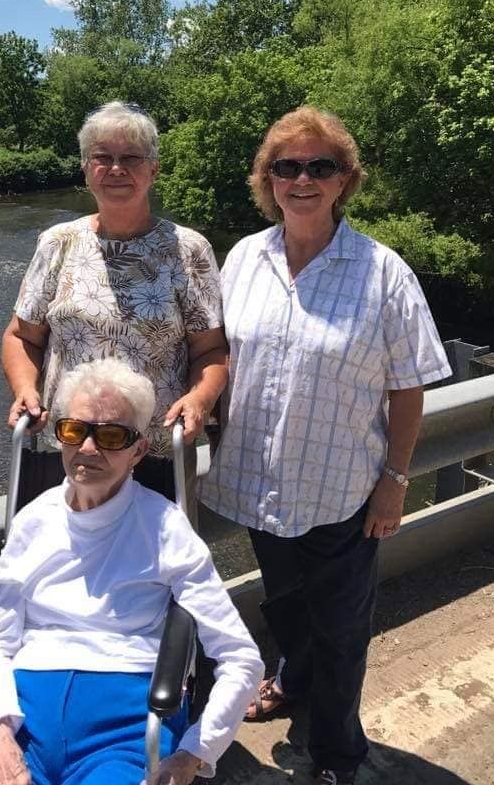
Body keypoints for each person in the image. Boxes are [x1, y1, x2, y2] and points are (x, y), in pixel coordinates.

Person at [199, 107, 452, 785]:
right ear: (267, 179)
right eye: (287, 167)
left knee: (341, 633)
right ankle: (291, 683)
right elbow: (217, 355)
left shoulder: (382, 272)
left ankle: (337, 754)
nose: (302, 179)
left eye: (321, 166)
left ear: (346, 179)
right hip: (258, 484)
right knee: (286, 609)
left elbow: (407, 387)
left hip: (342, 491)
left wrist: (396, 479)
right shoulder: (244, 259)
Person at [0, 358, 264, 785]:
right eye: (74, 430)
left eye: (111, 436)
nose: (87, 448)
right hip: (22, 711)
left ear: (139, 450)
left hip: (124, 724)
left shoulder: (165, 528)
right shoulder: (33, 522)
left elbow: (241, 658)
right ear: (59, 436)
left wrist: (195, 752)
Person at [2, 101, 227, 508]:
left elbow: (211, 351)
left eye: (131, 158)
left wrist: (200, 400)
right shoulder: (57, 243)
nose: (116, 168)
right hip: (69, 445)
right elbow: (22, 336)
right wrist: (24, 390)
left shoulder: (189, 250)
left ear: (153, 170)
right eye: (102, 157)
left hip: (155, 448)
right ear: (87, 170)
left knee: (150, 567)